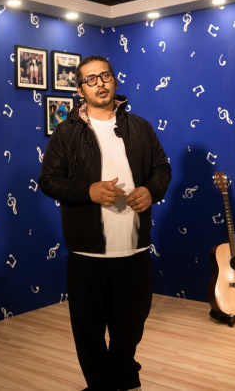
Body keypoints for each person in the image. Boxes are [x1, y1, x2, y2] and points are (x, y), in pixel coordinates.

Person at [39, 55, 171, 391]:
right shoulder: (66, 132)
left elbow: (161, 169)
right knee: (89, 334)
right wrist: (88, 191)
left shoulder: (140, 127)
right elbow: (48, 181)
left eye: (106, 76)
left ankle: (122, 379)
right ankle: (104, 385)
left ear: (115, 80)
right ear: (80, 90)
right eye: (91, 79)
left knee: (131, 328)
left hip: (134, 250)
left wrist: (151, 190)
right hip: (87, 255)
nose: (100, 83)